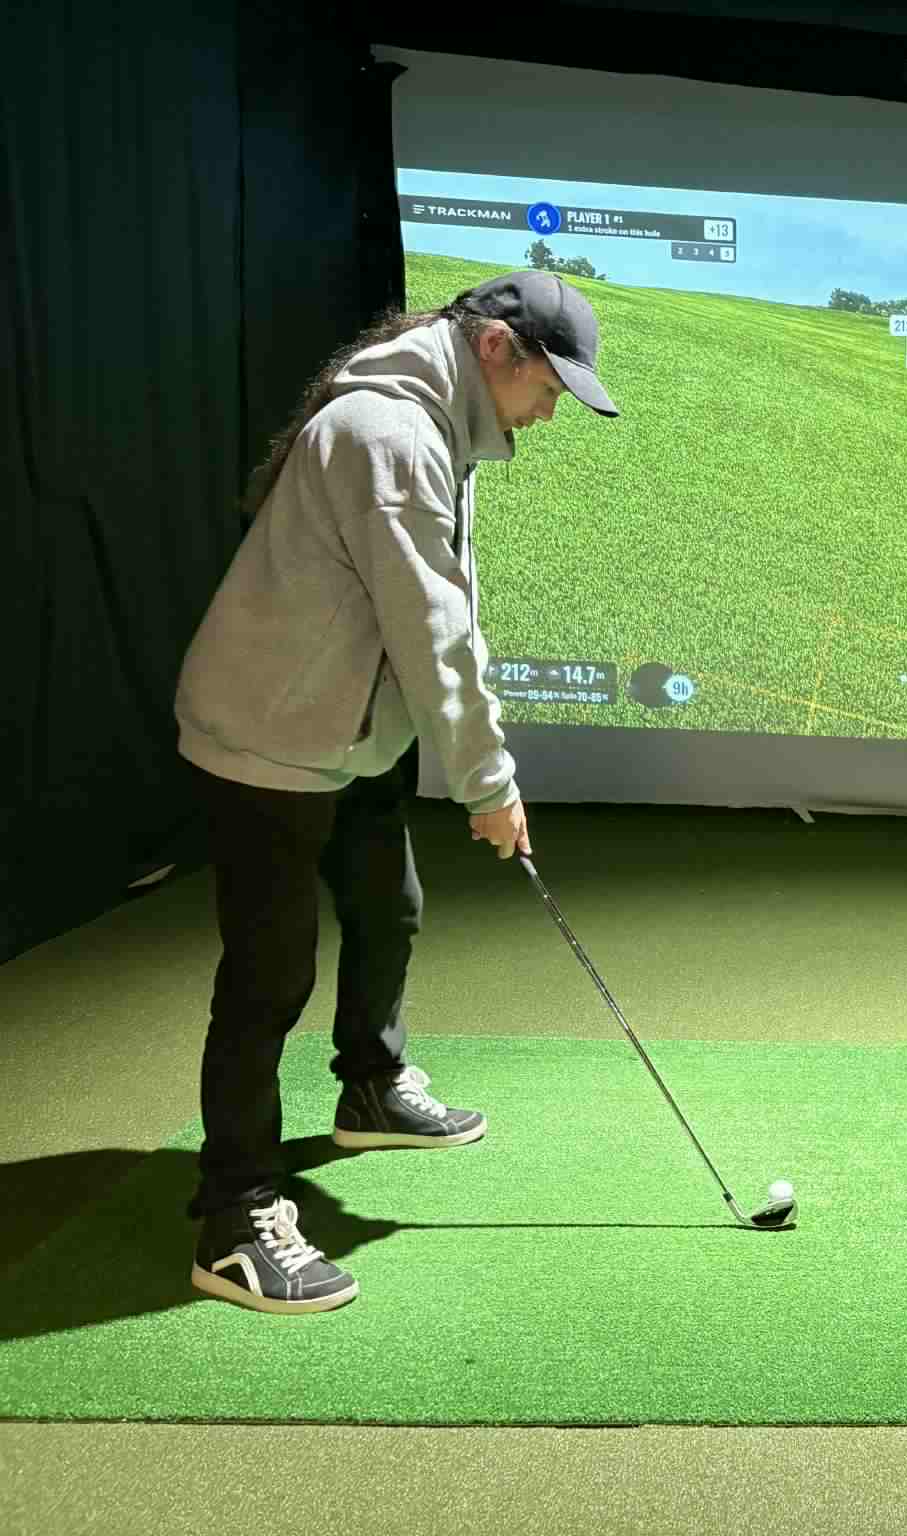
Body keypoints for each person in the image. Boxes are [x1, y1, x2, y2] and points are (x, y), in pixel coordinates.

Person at [173, 271, 621, 1314]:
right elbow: (432, 635)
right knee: (269, 978)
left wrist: (480, 768)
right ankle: (233, 1218)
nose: (552, 412)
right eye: (550, 387)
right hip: (269, 737)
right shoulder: (390, 434)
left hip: (347, 727)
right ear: (497, 348)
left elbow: (447, 614)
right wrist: (488, 784)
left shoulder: (440, 426)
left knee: (388, 906)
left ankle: (370, 1086)